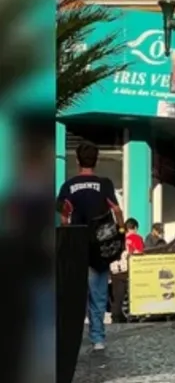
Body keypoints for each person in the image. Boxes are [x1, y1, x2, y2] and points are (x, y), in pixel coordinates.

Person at [57, 143, 124, 352]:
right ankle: (97, 338)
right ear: (97, 160)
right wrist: (121, 230)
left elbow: (64, 217)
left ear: (77, 161)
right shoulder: (105, 184)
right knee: (98, 293)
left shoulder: (68, 186)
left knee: (74, 293)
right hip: (100, 245)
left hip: (76, 243)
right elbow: (117, 210)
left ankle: (71, 337)